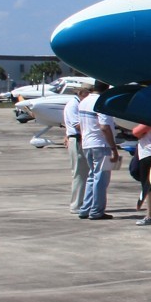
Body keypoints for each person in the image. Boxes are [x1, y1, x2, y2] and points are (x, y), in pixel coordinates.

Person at [76, 86, 121, 220]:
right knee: (101, 179)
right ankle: (96, 211)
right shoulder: (102, 102)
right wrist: (113, 148)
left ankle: (85, 208)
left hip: (87, 143)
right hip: (100, 144)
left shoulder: (84, 101)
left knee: (92, 177)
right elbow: (104, 127)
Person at [62, 83, 93, 214]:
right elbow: (77, 125)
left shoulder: (77, 104)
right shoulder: (73, 105)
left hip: (79, 138)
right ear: (81, 93)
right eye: (88, 93)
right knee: (79, 173)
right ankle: (76, 204)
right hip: (77, 139)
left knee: (83, 172)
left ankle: (82, 202)